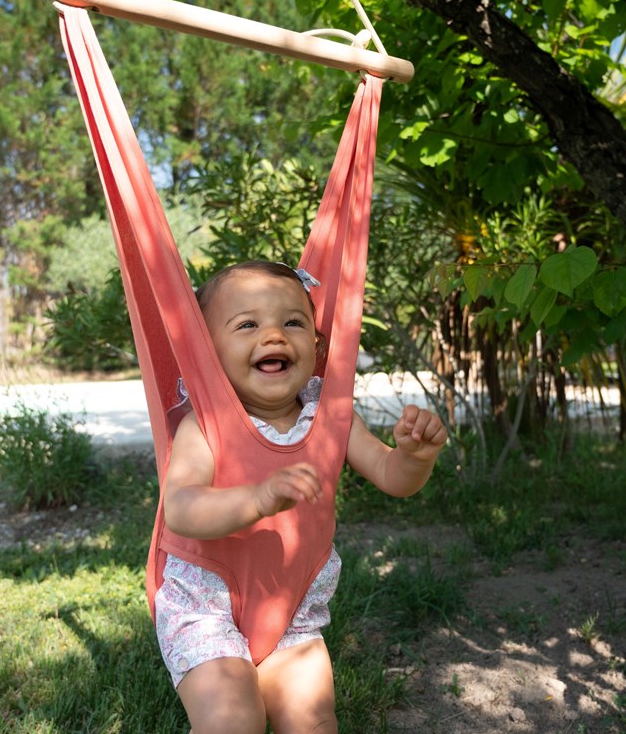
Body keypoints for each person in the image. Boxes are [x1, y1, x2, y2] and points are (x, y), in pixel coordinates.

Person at [156, 261, 448, 734]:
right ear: (207, 352)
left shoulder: (330, 416)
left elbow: (394, 477)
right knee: (233, 720)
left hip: (291, 611)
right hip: (204, 607)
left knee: (313, 721)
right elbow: (181, 510)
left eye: (293, 321)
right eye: (247, 324)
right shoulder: (205, 425)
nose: (273, 335)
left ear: (316, 347)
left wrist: (416, 456)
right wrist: (257, 498)